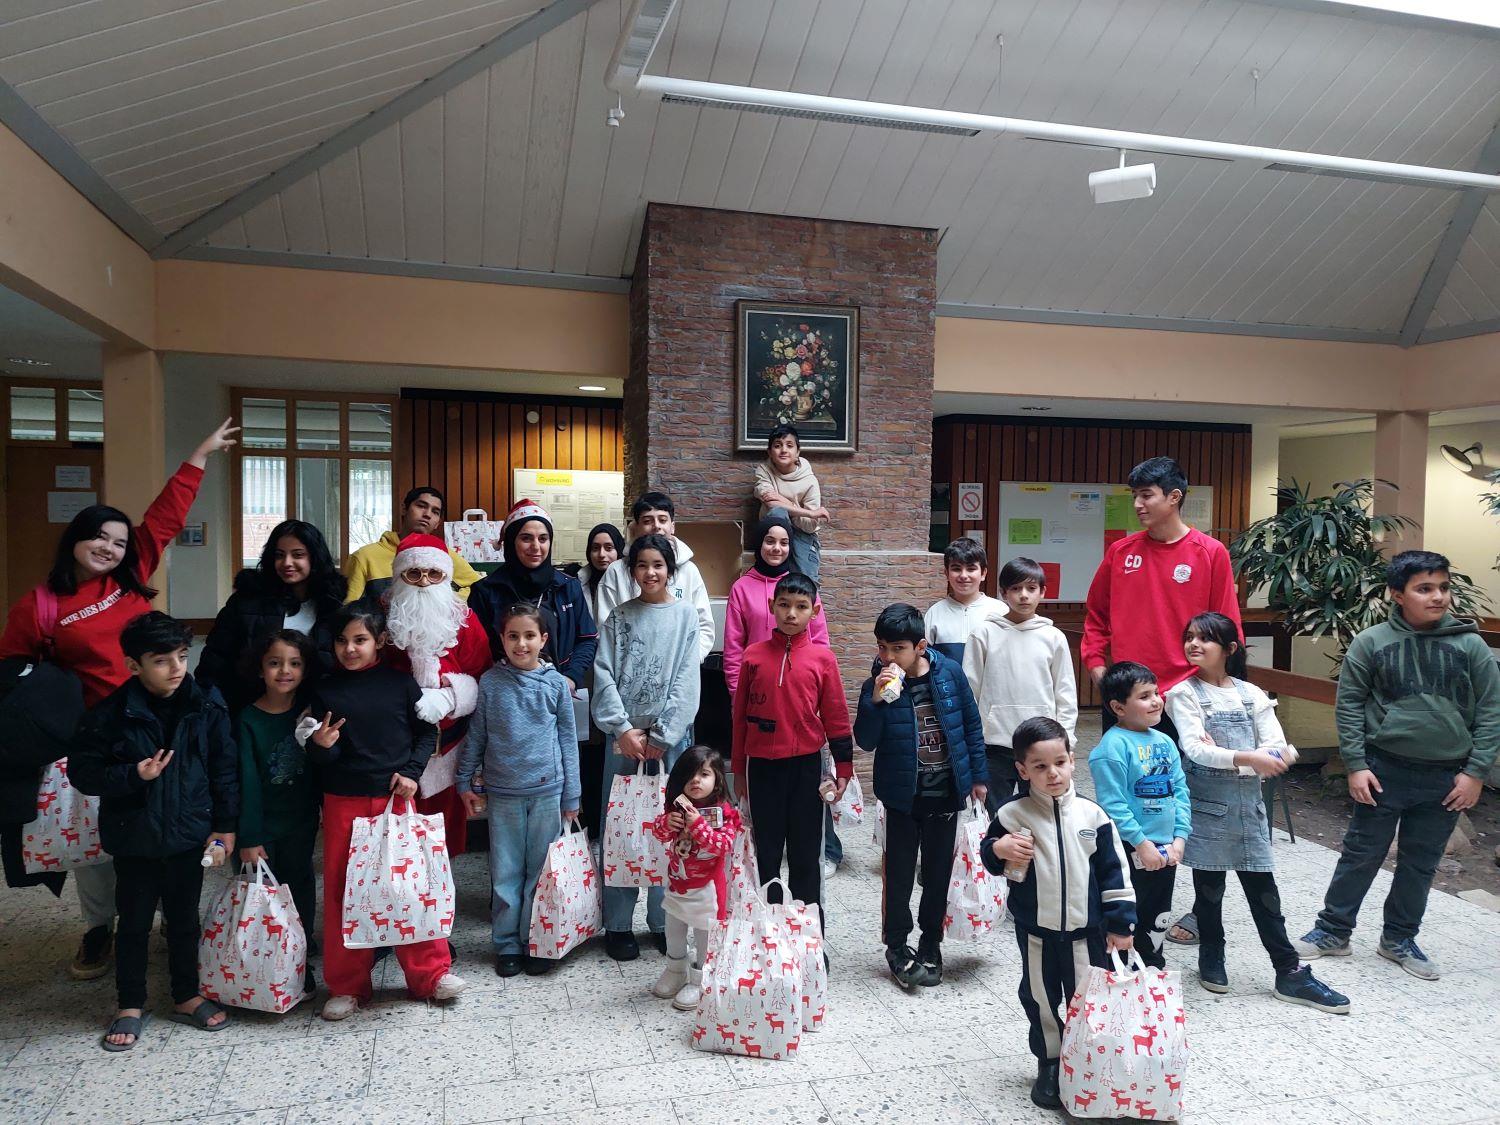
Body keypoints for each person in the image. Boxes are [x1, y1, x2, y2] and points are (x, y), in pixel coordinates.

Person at [0, 417, 236, 982]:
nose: (108, 548)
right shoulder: (41, 605)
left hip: (164, 719)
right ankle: (98, 927)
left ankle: (167, 922)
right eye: (98, 537)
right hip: (100, 731)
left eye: (118, 541)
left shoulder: (130, 580)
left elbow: (164, 517)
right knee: (101, 839)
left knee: (171, 822)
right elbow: (11, 670)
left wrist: (198, 456)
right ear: (73, 540)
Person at [1294, 550, 1499, 982]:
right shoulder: (1372, 642)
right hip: (1383, 769)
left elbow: (1491, 710)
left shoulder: (1471, 646)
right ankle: (1333, 932)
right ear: (1396, 594)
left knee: (1420, 862)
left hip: (1447, 776)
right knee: (1360, 855)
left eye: (1443, 587)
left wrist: (1476, 772)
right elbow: (1349, 704)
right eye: (1424, 588)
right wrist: (1355, 764)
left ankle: (1399, 939)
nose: (1438, 596)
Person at [1081, 455, 1238, 947]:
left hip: (1188, 705)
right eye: (1136, 497)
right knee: (1130, 807)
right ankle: (1135, 911)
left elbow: (1225, 632)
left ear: (1174, 497)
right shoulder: (1121, 552)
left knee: (1197, 808)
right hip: (1130, 707)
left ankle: (1200, 916)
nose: (1139, 505)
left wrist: (1197, 693)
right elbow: (1095, 618)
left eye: (1147, 495)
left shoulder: (1210, 554)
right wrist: (1099, 668)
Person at [70, 612, 239, 1051]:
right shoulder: (110, 714)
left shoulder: (207, 704)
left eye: (182, 656)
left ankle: (186, 994)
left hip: (188, 835)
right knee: (134, 922)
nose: (177, 668)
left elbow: (224, 769)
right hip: (135, 839)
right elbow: (84, 773)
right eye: (162, 660)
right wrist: (133, 775)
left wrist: (224, 828)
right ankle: (130, 1003)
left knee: (184, 920)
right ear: (133, 665)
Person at [1165, 612, 1349, 1013]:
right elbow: (1196, 750)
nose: (1193, 644)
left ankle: (1289, 972)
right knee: (1208, 893)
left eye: (1205, 639)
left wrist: (1236, 757)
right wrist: (1252, 757)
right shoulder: (1183, 694)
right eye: (1189, 636)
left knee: (1265, 894)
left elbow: (1282, 751)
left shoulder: (1252, 693)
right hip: (1208, 809)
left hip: (1250, 810)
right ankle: (1211, 956)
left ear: (1230, 649)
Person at [301, 604, 465, 1019]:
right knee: (343, 893)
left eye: (360, 640)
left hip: (397, 801)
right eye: (342, 641)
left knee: (409, 889)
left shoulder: (400, 685)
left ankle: (430, 975)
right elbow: (318, 755)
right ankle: (348, 985)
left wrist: (412, 773)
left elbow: (426, 730)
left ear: (380, 642)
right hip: (343, 802)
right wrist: (321, 745)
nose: (350, 649)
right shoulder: (322, 691)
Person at [980, 717, 1135, 1110]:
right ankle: (1050, 1063)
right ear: (1021, 770)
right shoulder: (1012, 814)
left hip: (1089, 933)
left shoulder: (1092, 816)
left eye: (1061, 763)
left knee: (1089, 1001)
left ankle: (1087, 1061)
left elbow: (1114, 871)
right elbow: (989, 853)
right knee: (1042, 1000)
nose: (1053, 774)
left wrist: (1120, 924)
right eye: (1040, 766)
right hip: (1037, 933)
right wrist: (999, 851)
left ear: (1071, 759)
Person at [854, 601, 986, 989]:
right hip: (901, 798)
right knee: (897, 877)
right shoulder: (875, 684)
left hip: (944, 794)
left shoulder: (949, 675)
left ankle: (931, 943)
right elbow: (865, 740)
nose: (889, 657)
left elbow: (971, 725)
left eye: (898, 648)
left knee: (937, 874)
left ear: (921, 646)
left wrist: (977, 776)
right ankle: (896, 945)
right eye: (882, 648)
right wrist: (876, 700)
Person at [592, 535, 703, 961]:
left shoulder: (685, 617)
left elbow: (686, 679)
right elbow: (602, 673)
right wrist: (622, 729)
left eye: (658, 564)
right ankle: (618, 924)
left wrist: (662, 736)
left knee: (670, 827)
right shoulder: (619, 618)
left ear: (670, 570)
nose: (650, 572)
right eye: (642, 565)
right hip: (623, 743)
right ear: (631, 570)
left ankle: (663, 920)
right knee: (619, 827)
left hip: (668, 744)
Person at [457, 603, 579, 978]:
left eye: (529, 636)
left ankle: (537, 940)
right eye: (513, 636)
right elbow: (476, 736)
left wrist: (571, 796)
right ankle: (508, 943)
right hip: (504, 794)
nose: (521, 643)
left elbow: (567, 740)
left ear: (543, 639)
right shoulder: (491, 683)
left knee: (540, 873)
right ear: (502, 639)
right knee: (506, 872)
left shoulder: (556, 684)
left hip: (548, 791)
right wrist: (464, 781)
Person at [731, 572, 853, 939]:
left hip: (806, 769)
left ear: (814, 612)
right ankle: (766, 938)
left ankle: (809, 939)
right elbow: (739, 719)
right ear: (772, 607)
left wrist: (843, 768)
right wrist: (738, 771)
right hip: (761, 769)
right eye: (784, 605)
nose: (791, 613)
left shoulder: (822, 658)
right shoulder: (752, 657)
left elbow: (836, 715)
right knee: (765, 854)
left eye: (801, 607)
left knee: (805, 858)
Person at [722, 514, 841, 877]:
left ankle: (825, 861)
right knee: (767, 835)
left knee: (807, 823)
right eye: (769, 541)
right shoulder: (743, 588)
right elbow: (734, 650)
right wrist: (742, 698)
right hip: (760, 705)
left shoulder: (805, 588)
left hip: (800, 714)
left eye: (784, 542)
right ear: (758, 544)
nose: (776, 548)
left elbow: (819, 645)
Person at [381, 533, 493, 856]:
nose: (424, 583)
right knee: (397, 838)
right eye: (413, 574)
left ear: (447, 577)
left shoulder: (466, 621)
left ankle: (439, 897)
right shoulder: (382, 618)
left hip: (450, 747)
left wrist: (450, 698)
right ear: (399, 576)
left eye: (434, 574)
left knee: (445, 836)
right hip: (396, 746)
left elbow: (484, 675)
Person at [235, 629, 323, 990]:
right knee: (264, 893)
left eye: (294, 663)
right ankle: (268, 959)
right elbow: (247, 782)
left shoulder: (311, 713)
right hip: (263, 825)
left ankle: (301, 953)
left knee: (300, 883)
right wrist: (250, 836)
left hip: (301, 821)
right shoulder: (247, 720)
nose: (284, 671)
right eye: (274, 663)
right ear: (260, 669)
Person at [1089, 661, 1191, 970]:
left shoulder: (1165, 742)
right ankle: (1118, 975)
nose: (1157, 700)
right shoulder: (1111, 749)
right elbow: (1114, 805)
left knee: (1157, 917)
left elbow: (1181, 791)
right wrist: (1141, 843)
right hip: (1128, 851)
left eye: (1156, 692)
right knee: (1125, 915)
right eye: (1145, 696)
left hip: (1166, 850)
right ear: (1118, 707)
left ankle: (1152, 970)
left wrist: (1180, 838)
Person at [196, 520, 345, 717]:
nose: (287, 563)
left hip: (312, 712)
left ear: (314, 558)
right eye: (279, 555)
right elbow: (215, 659)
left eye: (298, 555)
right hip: (249, 709)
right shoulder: (247, 600)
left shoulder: (332, 605)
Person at [964, 556, 1077, 809]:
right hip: (994, 744)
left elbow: (1065, 694)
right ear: (1003, 593)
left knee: (1043, 812)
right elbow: (970, 692)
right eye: (1015, 589)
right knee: (997, 815)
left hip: (1042, 745)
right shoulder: (984, 634)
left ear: (1042, 592)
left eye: (1031, 588)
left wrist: (1066, 741)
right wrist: (974, 744)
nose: (1023, 595)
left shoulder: (1053, 637)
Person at [648, 745, 740, 1010]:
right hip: (677, 886)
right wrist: (667, 824)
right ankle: (675, 970)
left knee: (704, 937)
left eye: (704, 774)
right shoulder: (675, 808)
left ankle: (701, 979)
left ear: (718, 779)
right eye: (690, 776)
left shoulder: (725, 814)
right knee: (674, 932)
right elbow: (659, 833)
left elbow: (722, 846)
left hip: (707, 891)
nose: (696, 781)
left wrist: (698, 826)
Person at [470, 499, 597, 687]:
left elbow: (586, 640)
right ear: (512, 541)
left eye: (543, 539)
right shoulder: (485, 591)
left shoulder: (568, 587)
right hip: (505, 692)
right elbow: (478, 651)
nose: (536, 546)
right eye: (526, 538)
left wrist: (570, 678)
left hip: (558, 690)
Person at [595, 493, 714, 662]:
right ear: (635, 527)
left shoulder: (689, 571)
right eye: (647, 521)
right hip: (628, 669)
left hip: (678, 668)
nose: (656, 526)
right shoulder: (616, 572)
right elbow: (604, 627)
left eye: (662, 520)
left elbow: (704, 626)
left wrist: (689, 662)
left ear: (672, 526)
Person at [342, 485, 481, 603]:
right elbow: (349, 608)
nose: (427, 514)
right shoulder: (365, 556)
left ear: (437, 523)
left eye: (435, 512)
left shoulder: (445, 555)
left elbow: (480, 587)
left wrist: (445, 601)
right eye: (421, 506)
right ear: (404, 509)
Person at [576, 523, 624, 839]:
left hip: (615, 673)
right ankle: (589, 817)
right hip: (585, 674)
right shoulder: (576, 583)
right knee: (587, 748)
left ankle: (610, 820)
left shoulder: (628, 579)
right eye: (596, 547)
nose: (602, 554)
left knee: (611, 745)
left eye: (609, 547)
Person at [752, 423, 830, 580]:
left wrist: (783, 502)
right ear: (769, 452)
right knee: (778, 512)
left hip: (803, 534)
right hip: (773, 536)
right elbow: (771, 504)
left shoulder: (809, 480)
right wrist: (810, 512)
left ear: (797, 452)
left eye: (789, 445)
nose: (784, 450)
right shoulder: (763, 471)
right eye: (777, 445)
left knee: (805, 584)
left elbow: (810, 526)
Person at [923, 537, 1006, 664]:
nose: (963, 575)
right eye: (956, 569)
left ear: (983, 573)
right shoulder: (934, 613)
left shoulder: (1000, 611)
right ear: (946, 573)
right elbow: (924, 658)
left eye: (971, 569)